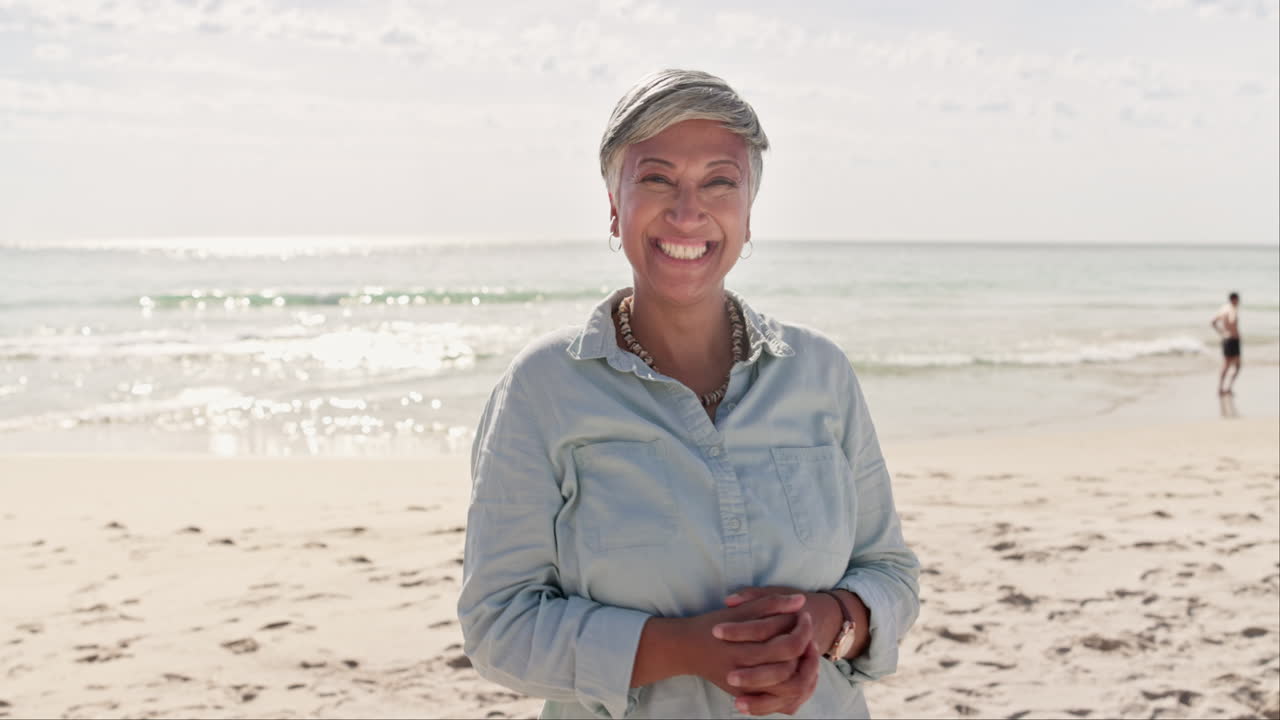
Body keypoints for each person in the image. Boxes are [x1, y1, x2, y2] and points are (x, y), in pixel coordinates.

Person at [458, 69, 919, 719]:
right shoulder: (543, 390)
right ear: (614, 205)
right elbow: (498, 627)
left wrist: (827, 624)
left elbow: (890, 573)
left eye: (719, 182)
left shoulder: (822, 373)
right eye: (655, 178)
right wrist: (683, 648)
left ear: (748, 212)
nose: (686, 211)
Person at [1212, 292, 1241, 395]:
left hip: (1225, 339)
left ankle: (1221, 388)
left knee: (1226, 365)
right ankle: (1228, 388)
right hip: (1232, 340)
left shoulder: (1223, 308)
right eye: (1238, 300)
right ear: (1234, 299)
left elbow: (1213, 322)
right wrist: (1234, 332)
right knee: (1236, 366)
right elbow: (1232, 321)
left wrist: (1222, 332)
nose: (1239, 302)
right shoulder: (1232, 309)